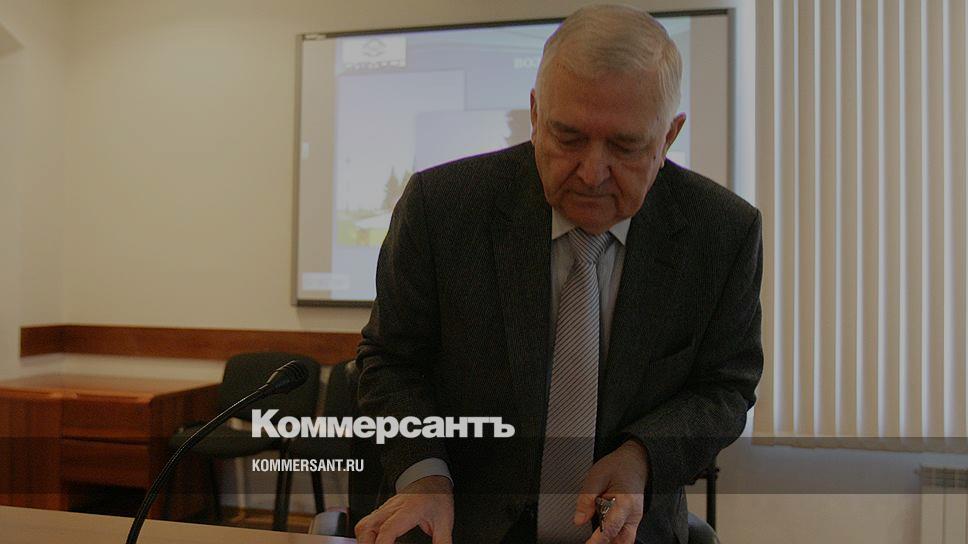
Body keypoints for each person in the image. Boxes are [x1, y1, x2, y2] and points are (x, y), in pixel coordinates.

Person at [354, 5, 763, 543]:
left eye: (625, 146)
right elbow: (391, 362)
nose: (592, 173)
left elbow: (726, 385)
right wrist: (423, 475)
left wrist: (642, 455)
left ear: (668, 137)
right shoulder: (444, 207)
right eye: (568, 138)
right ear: (534, 114)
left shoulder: (722, 232)